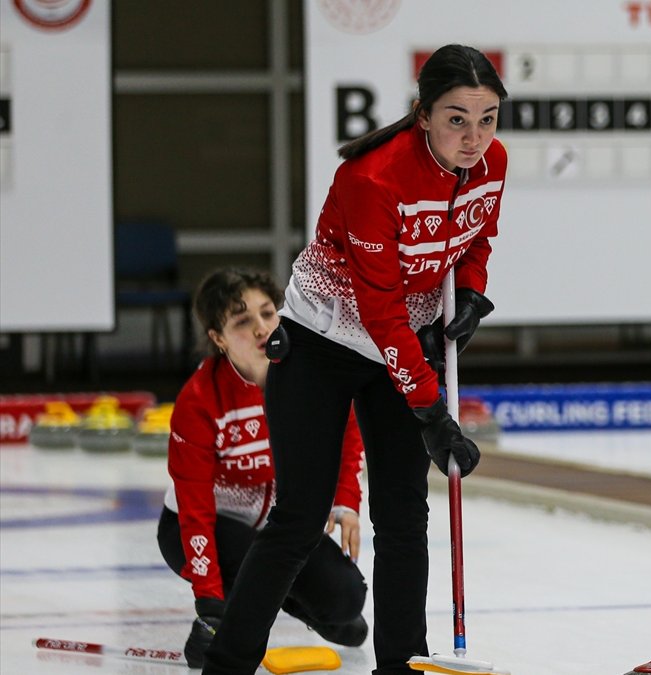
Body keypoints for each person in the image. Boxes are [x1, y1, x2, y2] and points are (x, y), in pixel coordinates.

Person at [202, 44, 507, 675]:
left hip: (400, 340)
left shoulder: (492, 162)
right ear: (422, 114)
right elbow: (379, 306)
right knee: (299, 516)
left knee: (404, 516)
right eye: (457, 118)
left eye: (488, 118)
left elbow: (477, 234)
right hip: (324, 345)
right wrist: (429, 407)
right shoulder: (372, 178)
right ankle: (227, 664)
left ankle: (399, 666)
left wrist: (472, 290)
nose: (475, 137)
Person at [158, 267, 368, 668]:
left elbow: (348, 429)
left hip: (276, 525)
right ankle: (235, 610)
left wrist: (345, 501)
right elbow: (195, 505)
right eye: (241, 321)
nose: (260, 329)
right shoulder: (199, 400)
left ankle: (295, 606)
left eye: (268, 313)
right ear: (217, 339)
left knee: (345, 598)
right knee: (252, 565)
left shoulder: (309, 375)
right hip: (198, 529)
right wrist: (210, 605)